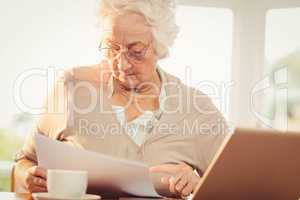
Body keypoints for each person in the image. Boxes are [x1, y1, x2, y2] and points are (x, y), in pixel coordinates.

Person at [14, 0, 229, 197]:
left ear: (160, 48)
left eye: (136, 52)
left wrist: (198, 184)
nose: (121, 64)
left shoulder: (197, 108)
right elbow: (24, 162)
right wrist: (28, 177)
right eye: (112, 48)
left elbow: (235, 187)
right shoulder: (72, 86)